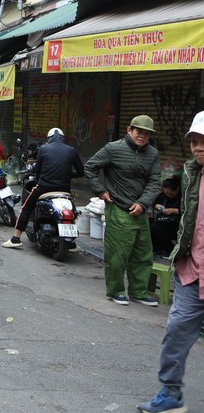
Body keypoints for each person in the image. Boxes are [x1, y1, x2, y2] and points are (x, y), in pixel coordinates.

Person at [138, 111, 204, 413]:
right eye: (194, 141)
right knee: (176, 331)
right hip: (192, 268)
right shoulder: (191, 173)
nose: (198, 147)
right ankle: (171, 392)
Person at [84, 114, 161, 306]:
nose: (142, 136)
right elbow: (90, 167)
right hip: (119, 208)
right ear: (129, 130)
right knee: (117, 254)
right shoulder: (113, 149)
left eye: (147, 134)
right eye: (139, 132)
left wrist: (143, 203)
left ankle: (139, 291)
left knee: (143, 254)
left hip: (141, 211)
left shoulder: (152, 154)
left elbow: (154, 181)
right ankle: (116, 290)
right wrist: (100, 191)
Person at [2, 127, 84, 249]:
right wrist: (69, 175)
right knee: (73, 211)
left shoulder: (44, 149)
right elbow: (81, 172)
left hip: (44, 187)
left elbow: (38, 171)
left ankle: (16, 238)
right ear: (62, 138)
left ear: (49, 138)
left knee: (25, 208)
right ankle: (71, 241)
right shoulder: (71, 150)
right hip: (65, 189)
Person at [150, 176, 181, 257]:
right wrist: (158, 206)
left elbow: (187, 211)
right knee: (149, 223)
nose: (168, 195)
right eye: (166, 193)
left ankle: (170, 249)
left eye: (170, 193)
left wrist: (173, 210)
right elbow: (154, 203)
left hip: (177, 224)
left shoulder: (183, 196)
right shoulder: (164, 195)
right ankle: (157, 248)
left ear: (177, 189)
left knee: (156, 227)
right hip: (164, 220)